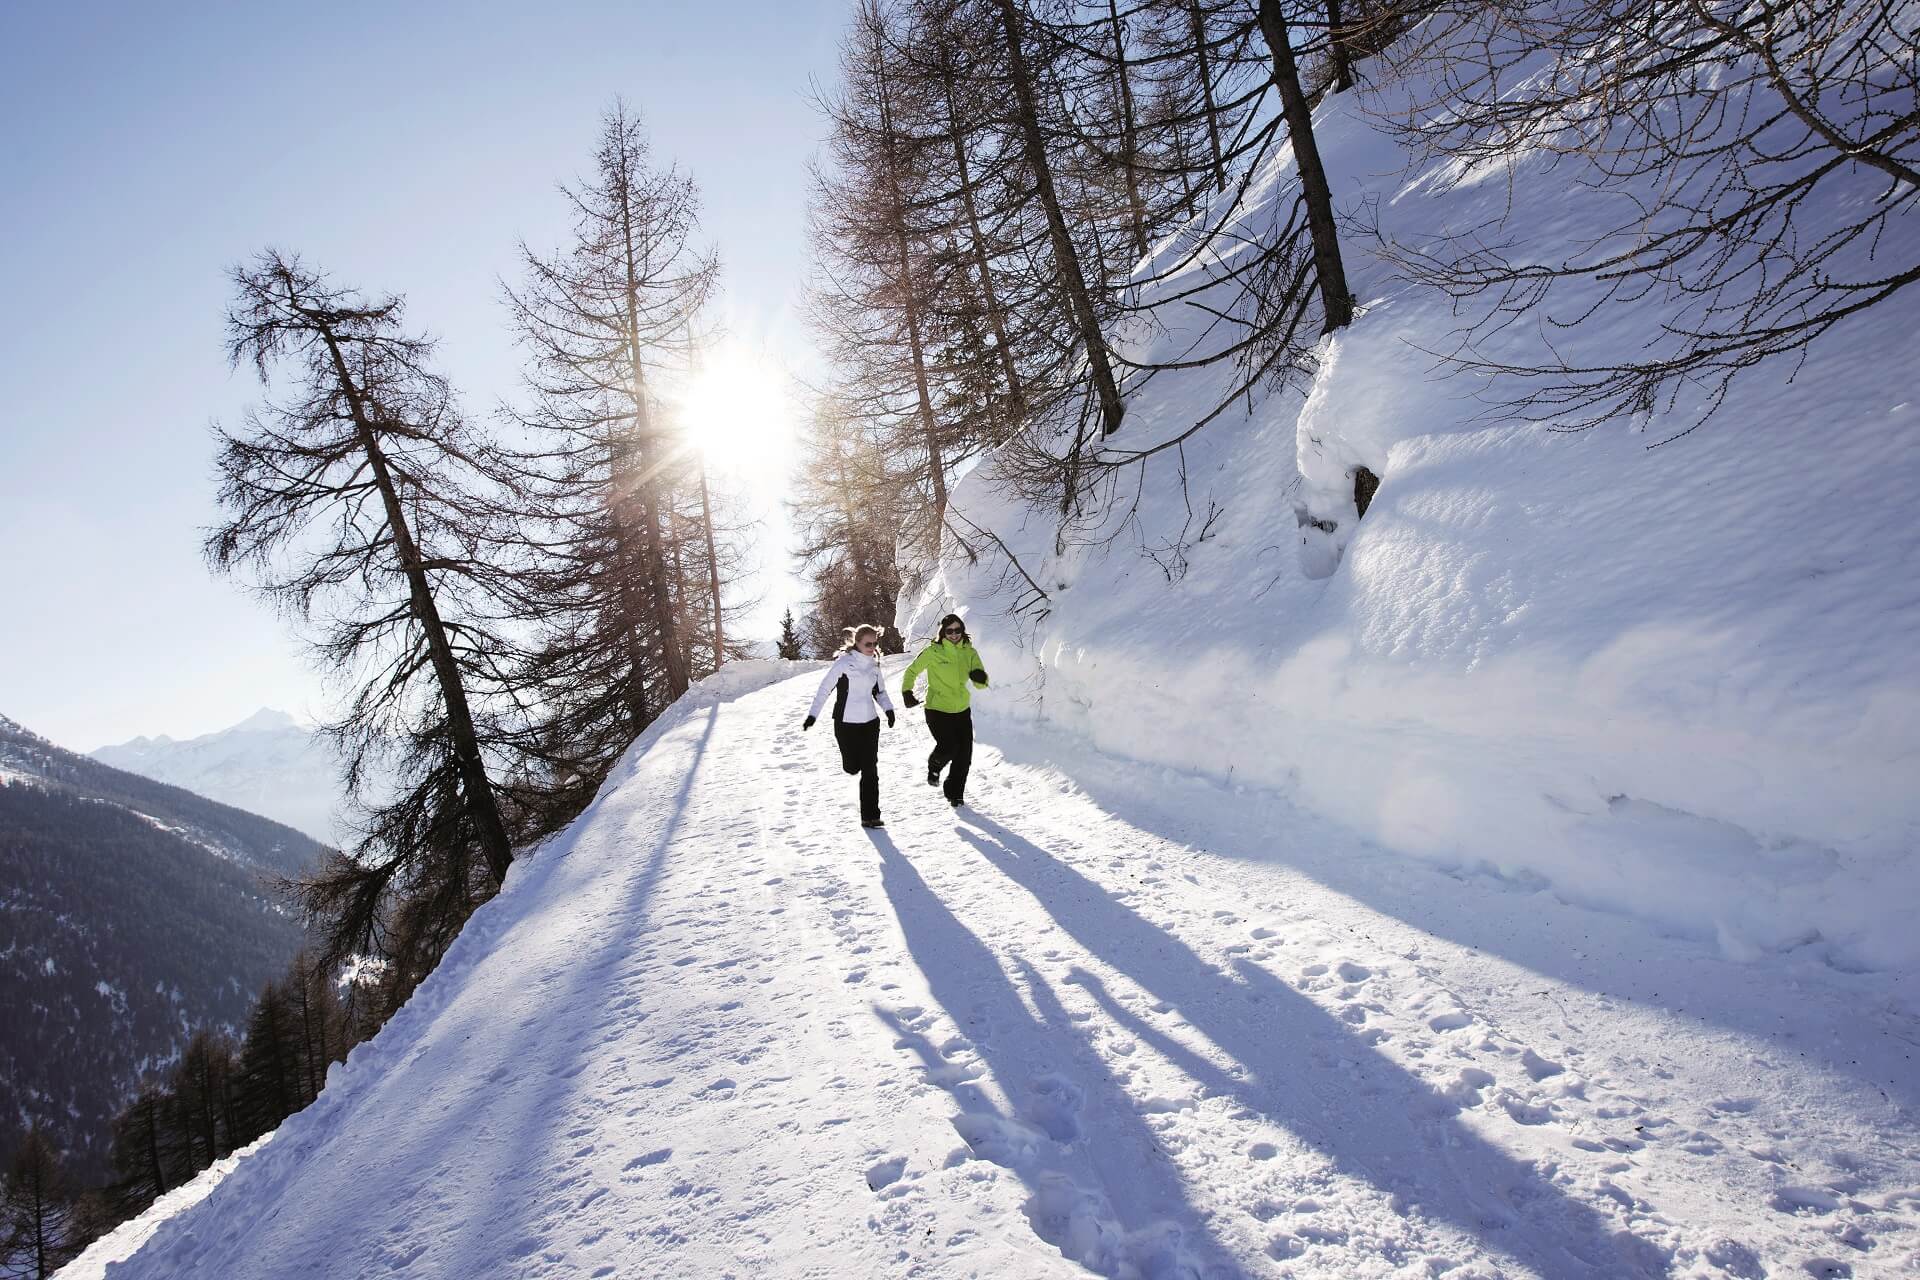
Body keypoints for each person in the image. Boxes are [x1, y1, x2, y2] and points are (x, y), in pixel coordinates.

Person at [804, 623, 896, 828]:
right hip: (846, 725)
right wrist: (813, 715)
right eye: (868, 643)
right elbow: (824, 689)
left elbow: (880, 692)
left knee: (870, 770)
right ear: (857, 643)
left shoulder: (874, 666)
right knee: (852, 767)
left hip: (870, 724)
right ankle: (850, 765)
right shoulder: (844, 663)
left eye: (875, 643)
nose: (872, 647)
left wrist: (888, 710)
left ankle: (870, 816)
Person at [901, 612, 988, 808]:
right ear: (943, 632)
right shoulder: (934, 652)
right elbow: (912, 670)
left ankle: (955, 794)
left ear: (962, 631)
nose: (954, 634)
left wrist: (980, 678)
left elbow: (981, 682)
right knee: (949, 747)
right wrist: (907, 691)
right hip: (937, 709)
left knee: (964, 756)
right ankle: (934, 767)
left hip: (962, 710)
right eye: (950, 631)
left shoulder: (970, 652)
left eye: (958, 630)